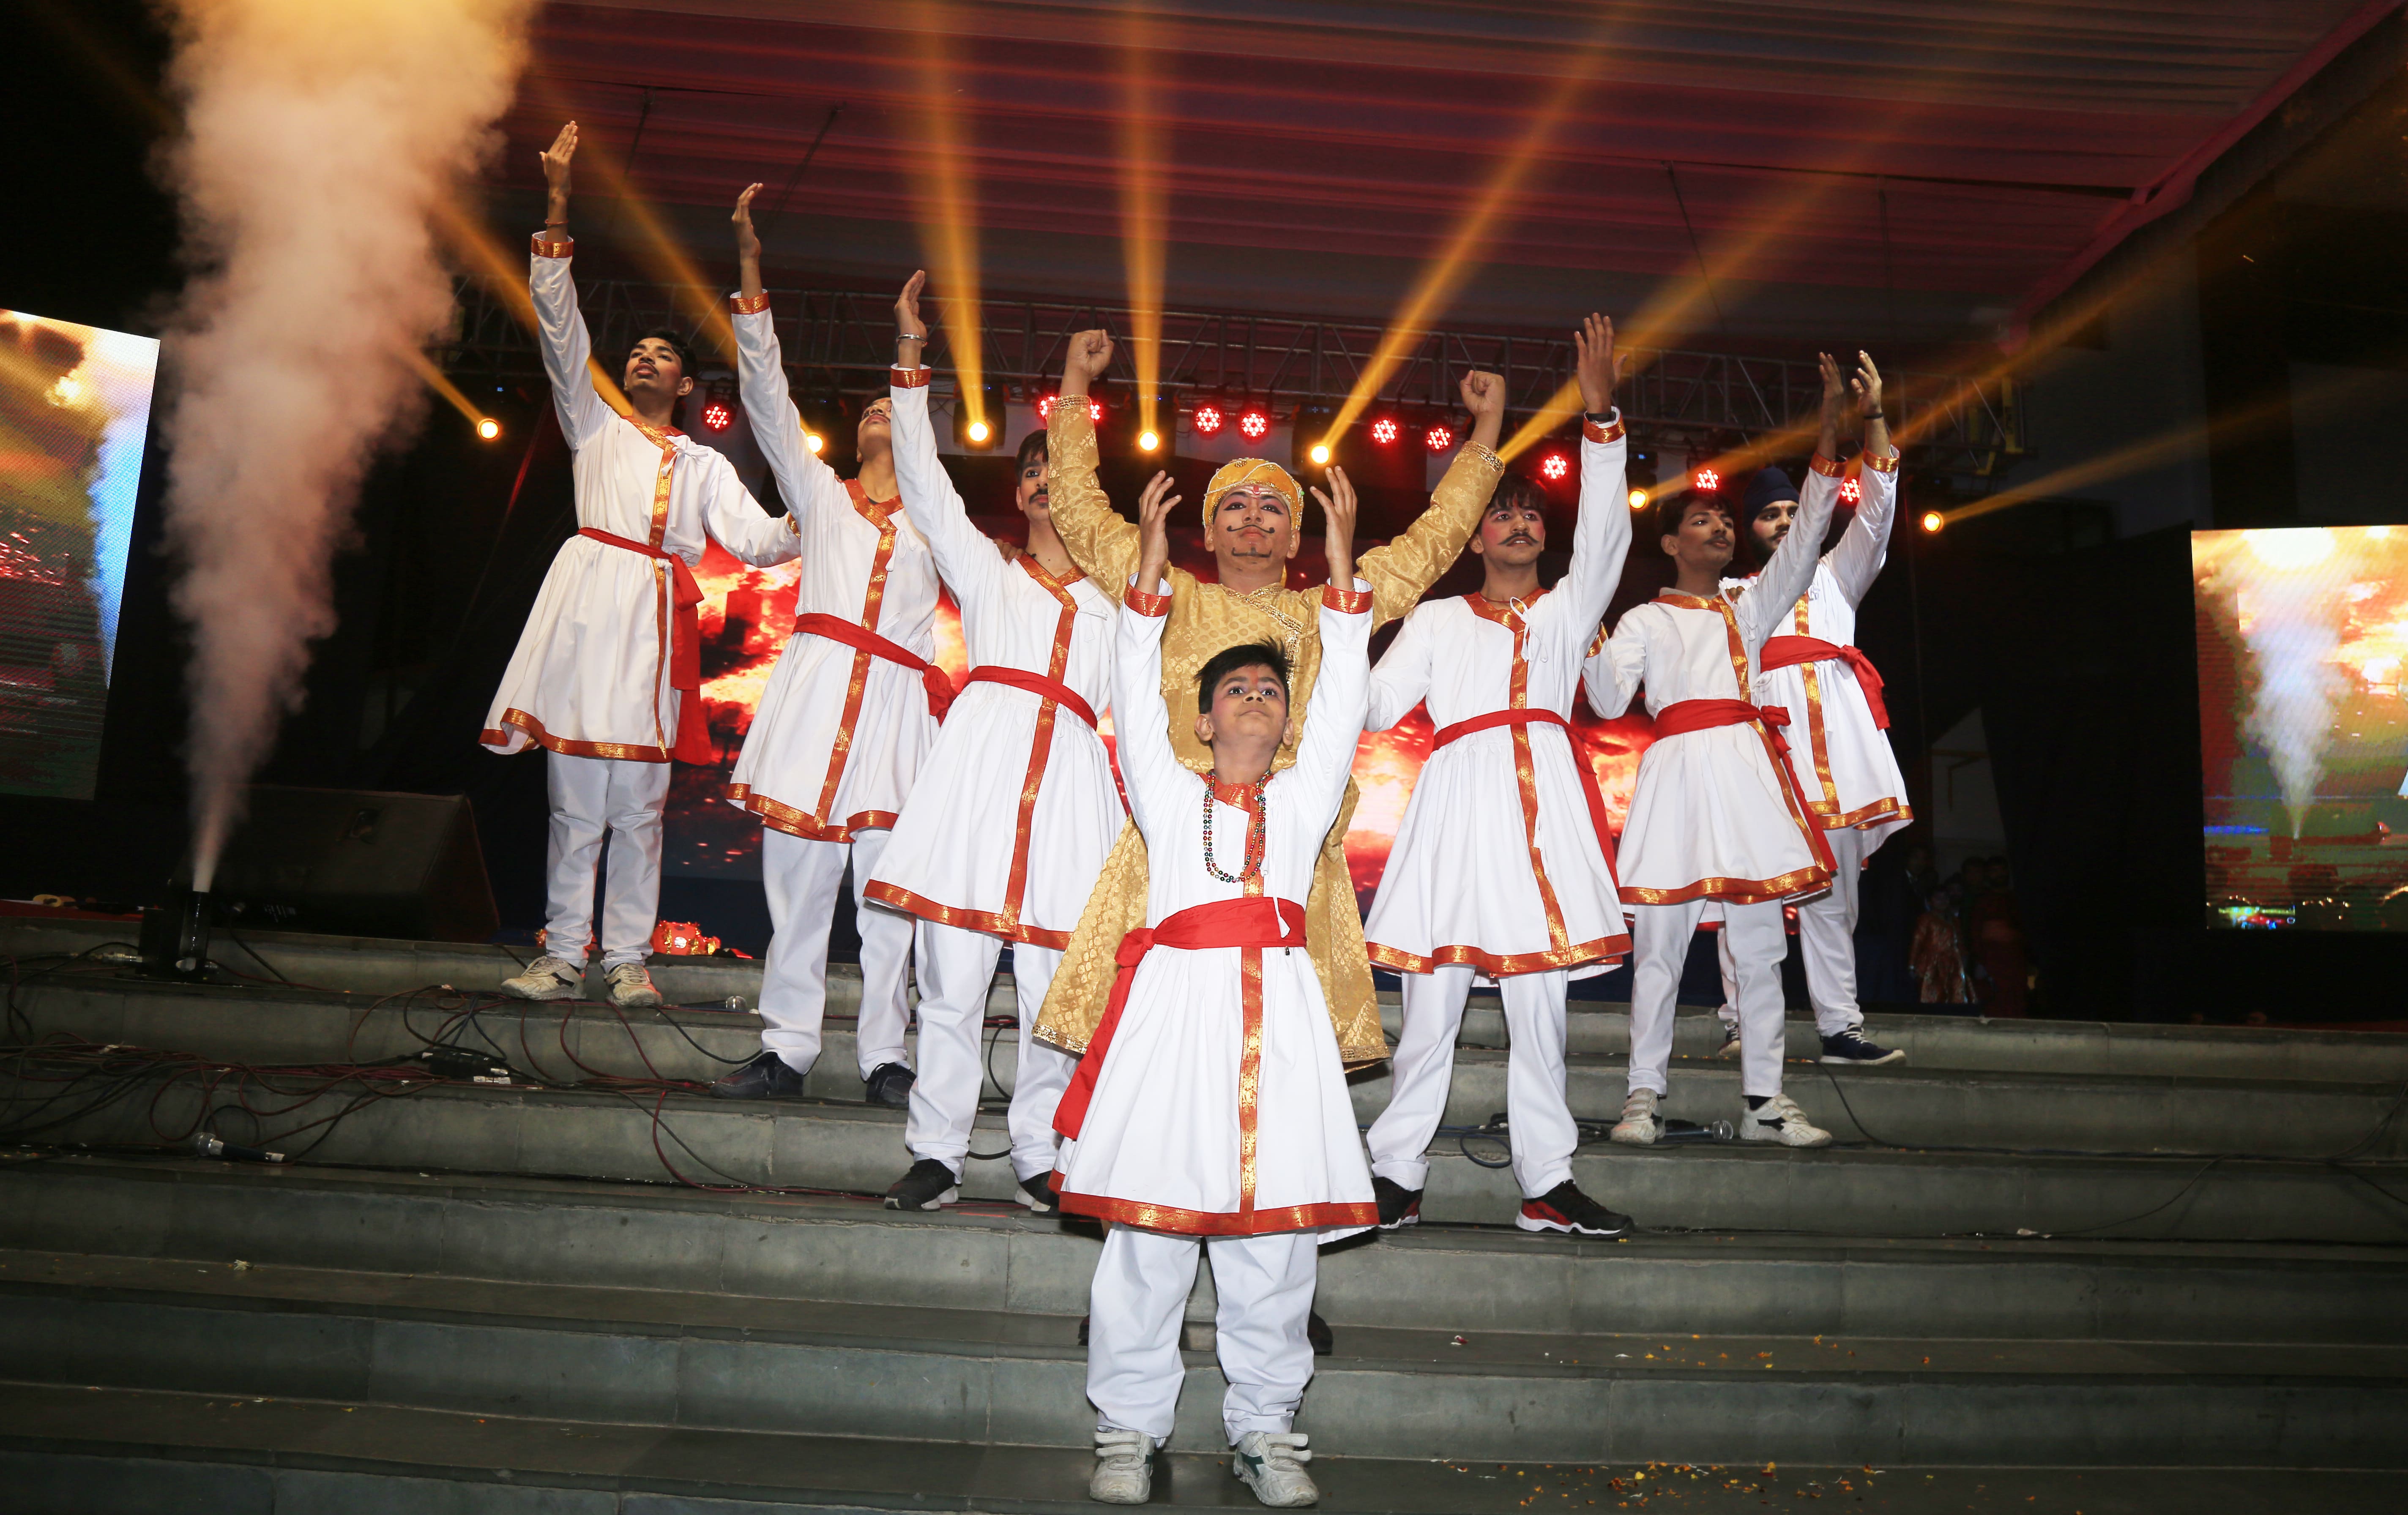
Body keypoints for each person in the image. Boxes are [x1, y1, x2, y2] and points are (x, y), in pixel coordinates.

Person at [1031, 327, 1509, 1090]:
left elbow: (1435, 540)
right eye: (1235, 506)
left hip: (1290, 844)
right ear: (1209, 525)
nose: (1253, 518)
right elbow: (1082, 511)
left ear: (1295, 535)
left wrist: (1486, 430)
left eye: (1271, 509)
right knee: (1143, 1030)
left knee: (1283, 1054)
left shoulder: (1330, 609)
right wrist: (1076, 384)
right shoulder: (1169, 589)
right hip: (1174, 836)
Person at [1061, 449, 1375, 1510]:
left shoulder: (1300, 801)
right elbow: (1125, 688)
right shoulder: (1162, 785)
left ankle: (1265, 1429)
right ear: (1200, 719)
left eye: (1269, 689)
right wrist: (1144, 581)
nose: (1253, 694)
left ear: (1288, 725)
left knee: (1275, 1248)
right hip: (1173, 1025)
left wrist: (1339, 576)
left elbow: (1343, 703)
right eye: (1233, 686)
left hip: (1278, 1030)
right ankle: (1127, 1429)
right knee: (1146, 1239)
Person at [487, 125, 801, 1011]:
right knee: (573, 804)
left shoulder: (705, 468)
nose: (642, 359)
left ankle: (625, 955)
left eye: (662, 355)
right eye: (637, 352)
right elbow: (559, 325)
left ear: (691, 387)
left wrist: (817, 517)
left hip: (653, 644)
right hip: (590, 625)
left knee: (639, 810)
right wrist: (555, 204)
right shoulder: (594, 425)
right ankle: (558, 952)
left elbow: (762, 542)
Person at [1360, 313, 1634, 1237]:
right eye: (1499, 512)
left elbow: (1605, 540)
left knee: (1539, 1011)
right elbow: (1370, 703)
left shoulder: (1565, 616)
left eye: (1529, 512)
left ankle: (1546, 1180)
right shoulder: (1437, 621)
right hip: (1455, 807)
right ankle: (1392, 1172)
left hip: (1543, 815)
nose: (1517, 521)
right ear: (1473, 536)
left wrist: (1600, 421)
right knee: (1428, 1007)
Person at [864, 271, 1121, 1212]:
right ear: (1017, 490)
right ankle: (936, 1149)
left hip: (1069, 793)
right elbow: (925, 486)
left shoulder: (1120, 603)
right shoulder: (984, 567)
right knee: (951, 980)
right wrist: (909, 358)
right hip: (975, 784)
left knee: (1058, 990)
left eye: (1064, 471)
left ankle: (1036, 1153)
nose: (1048, 484)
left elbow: (1140, 717)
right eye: (1034, 472)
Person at [711, 187, 946, 1107]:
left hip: (892, 717)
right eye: (872, 414)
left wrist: (910, 348)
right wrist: (749, 268)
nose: (881, 418)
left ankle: (887, 1056)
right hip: (812, 705)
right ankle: (788, 1047)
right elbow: (765, 399)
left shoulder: (937, 526)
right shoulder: (819, 498)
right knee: (797, 891)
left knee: (887, 903)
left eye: (896, 412)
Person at [1584, 393, 1845, 1149]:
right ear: (1669, 543)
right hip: (1675, 779)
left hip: (1745, 781)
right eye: (1703, 520)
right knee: (1660, 949)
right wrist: (1586, 635)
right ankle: (1641, 1099)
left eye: (1727, 521)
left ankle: (1766, 1100)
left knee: (1760, 948)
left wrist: (1825, 446)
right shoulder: (1643, 618)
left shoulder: (1750, 606)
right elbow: (1603, 702)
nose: (1722, 527)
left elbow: (1802, 547)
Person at [1708, 352, 1910, 1067]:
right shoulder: (1731, 595)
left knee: (1834, 898)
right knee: (1752, 897)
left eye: (1794, 510)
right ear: (1751, 529)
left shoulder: (1835, 575)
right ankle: (1741, 1021)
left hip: (1843, 757)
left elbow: (1878, 507)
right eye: (1769, 514)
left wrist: (1872, 417)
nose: (1785, 521)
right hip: (1767, 752)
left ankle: (1839, 1027)